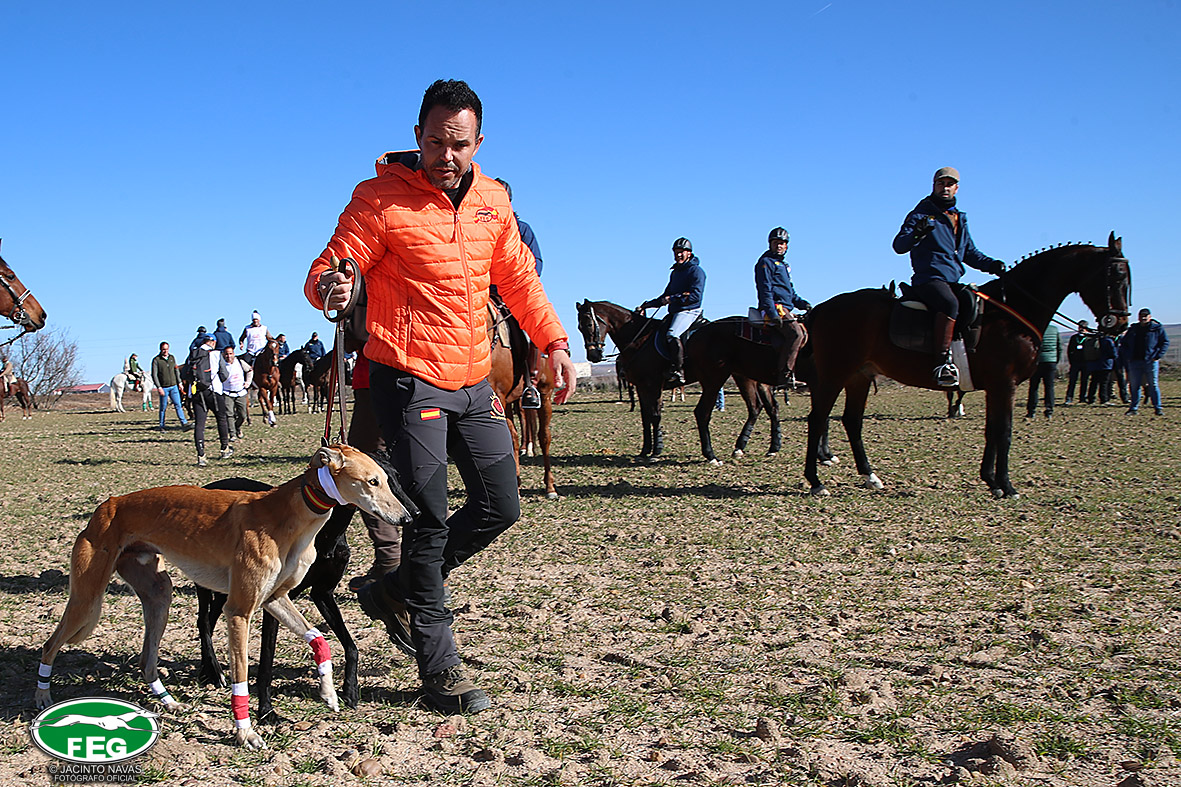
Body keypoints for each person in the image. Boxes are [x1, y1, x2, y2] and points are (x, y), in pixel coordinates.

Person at [305, 79, 577, 715]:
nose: (445, 156)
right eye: (434, 142)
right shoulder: (379, 199)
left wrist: (554, 341)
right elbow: (329, 268)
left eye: (458, 144)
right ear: (417, 138)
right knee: (429, 519)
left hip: (474, 377)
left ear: (478, 142)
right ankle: (440, 668)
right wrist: (331, 289)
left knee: (501, 504)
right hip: (407, 376)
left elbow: (519, 279)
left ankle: (394, 589)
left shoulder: (493, 201)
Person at [892, 167, 1006, 387]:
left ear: (956, 188)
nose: (945, 188)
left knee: (971, 302)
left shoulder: (959, 218)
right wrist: (917, 233)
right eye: (940, 184)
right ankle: (941, 364)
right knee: (949, 303)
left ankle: (963, 357)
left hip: (953, 279)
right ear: (934, 185)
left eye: (949, 184)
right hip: (929, 278)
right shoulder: (920, 214)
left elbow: (969, 252)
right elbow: (899, 246)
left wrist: (992, 265)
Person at [495, 178, 544, 410]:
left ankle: (530, 384)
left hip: (512, 293)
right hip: (482, 293)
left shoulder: (522, 229)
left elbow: (536, 263)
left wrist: (513, 287)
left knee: (529, 329)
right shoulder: (477, 227)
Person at [639, 237, 706, 385]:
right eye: (676, 252)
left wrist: (673, 298)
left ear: (689, 253)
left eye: (681, 252)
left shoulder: (696, 271)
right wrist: (647, 305)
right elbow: (665, 296)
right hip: (675, 312)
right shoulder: (675, 273)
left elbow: (695, 296)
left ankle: (678, 370)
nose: (678, 255)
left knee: (672, 334)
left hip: (689, 311)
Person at [755, 227, 811, 386]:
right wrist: (772, 312)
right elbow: (765, 290)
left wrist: (803, 304)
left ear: (786, 246)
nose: (779, 246)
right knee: (796, 334)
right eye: (776, 243)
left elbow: (790, 293)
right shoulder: (765, 262)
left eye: (782, 243)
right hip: (775, 306)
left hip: (786, 307)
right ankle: (784, 375)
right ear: (770, 244)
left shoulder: (783, 265)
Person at [187, 333, 231, 466]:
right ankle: (224, 448)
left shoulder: (193, 354)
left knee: (200, 424)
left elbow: (185, 374)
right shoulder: (216, 354)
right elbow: (224, 374)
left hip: (197, 392)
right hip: (214, 391)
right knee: (221, 418)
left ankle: (201, 455)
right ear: (213, 342)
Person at [1121, 307, 1169, 416]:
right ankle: (1133, 408)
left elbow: (1165, 342)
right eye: (1141, 316)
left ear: (1150, 317)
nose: (1143, 318)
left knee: (1153, 385)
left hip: (1150, 361)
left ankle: (1158, 408)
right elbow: (1124, 343)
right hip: (1134, 361)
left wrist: (1157, 355)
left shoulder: (1157, 329)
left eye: (1145, 316)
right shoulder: (1133, 329)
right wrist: (1127, 355)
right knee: (1134, 385)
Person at [150, 342, 190, 430]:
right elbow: (154, 375)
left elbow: (176, 371)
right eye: (164, 349)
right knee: (163, 407)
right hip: (164, 387)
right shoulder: (156, 360)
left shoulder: (172, 358)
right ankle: (162, 425)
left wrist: (179, 383)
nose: (165, 351)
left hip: (174, 386)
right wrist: (159, 387)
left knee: (178, 405)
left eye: (167, 349)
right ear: (160, 349)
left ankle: (184, 423)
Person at [1025, 323, 1059, 419]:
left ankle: (1031, 410)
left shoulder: (1037, 328)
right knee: (1049, 387)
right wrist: (1055, 360)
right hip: (1051, 361)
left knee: (1034, 387)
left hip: (1037, 361)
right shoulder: (1054, 329)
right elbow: (1059, 346)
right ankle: (1049, 410)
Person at [220, 345, 253, 440]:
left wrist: (248, 382)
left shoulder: (240, 362)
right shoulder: (221, 364)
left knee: (243, 415)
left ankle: (237, 427)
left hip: (240, 392)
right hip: (227, 393)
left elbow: (250, 370)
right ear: (223, 355)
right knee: (229, 414)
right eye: (226, 354)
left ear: (234, 354)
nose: (229, 356)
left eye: (230, 353)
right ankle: (232, 434)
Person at [1083, 331, 1116, 405]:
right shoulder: (1108, 340)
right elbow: (1113, 353)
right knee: (1104, 383)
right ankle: (1104, 399)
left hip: (1093, 364)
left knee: (1093, 382)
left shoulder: (1093, 340)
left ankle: (1091, 398)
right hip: (1105, 364)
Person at [1063, 320, 1091, 405]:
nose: (1081, 329)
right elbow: (1069, 350)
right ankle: (1069, 397)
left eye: (1084, 328)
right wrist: (1071, 361)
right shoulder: (1074, 338)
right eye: (1080, 327)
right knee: (1072, 381)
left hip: (1085, 362)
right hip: (1075, 362)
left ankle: (1083, 397)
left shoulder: (1088, 338)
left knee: (1084, 381)